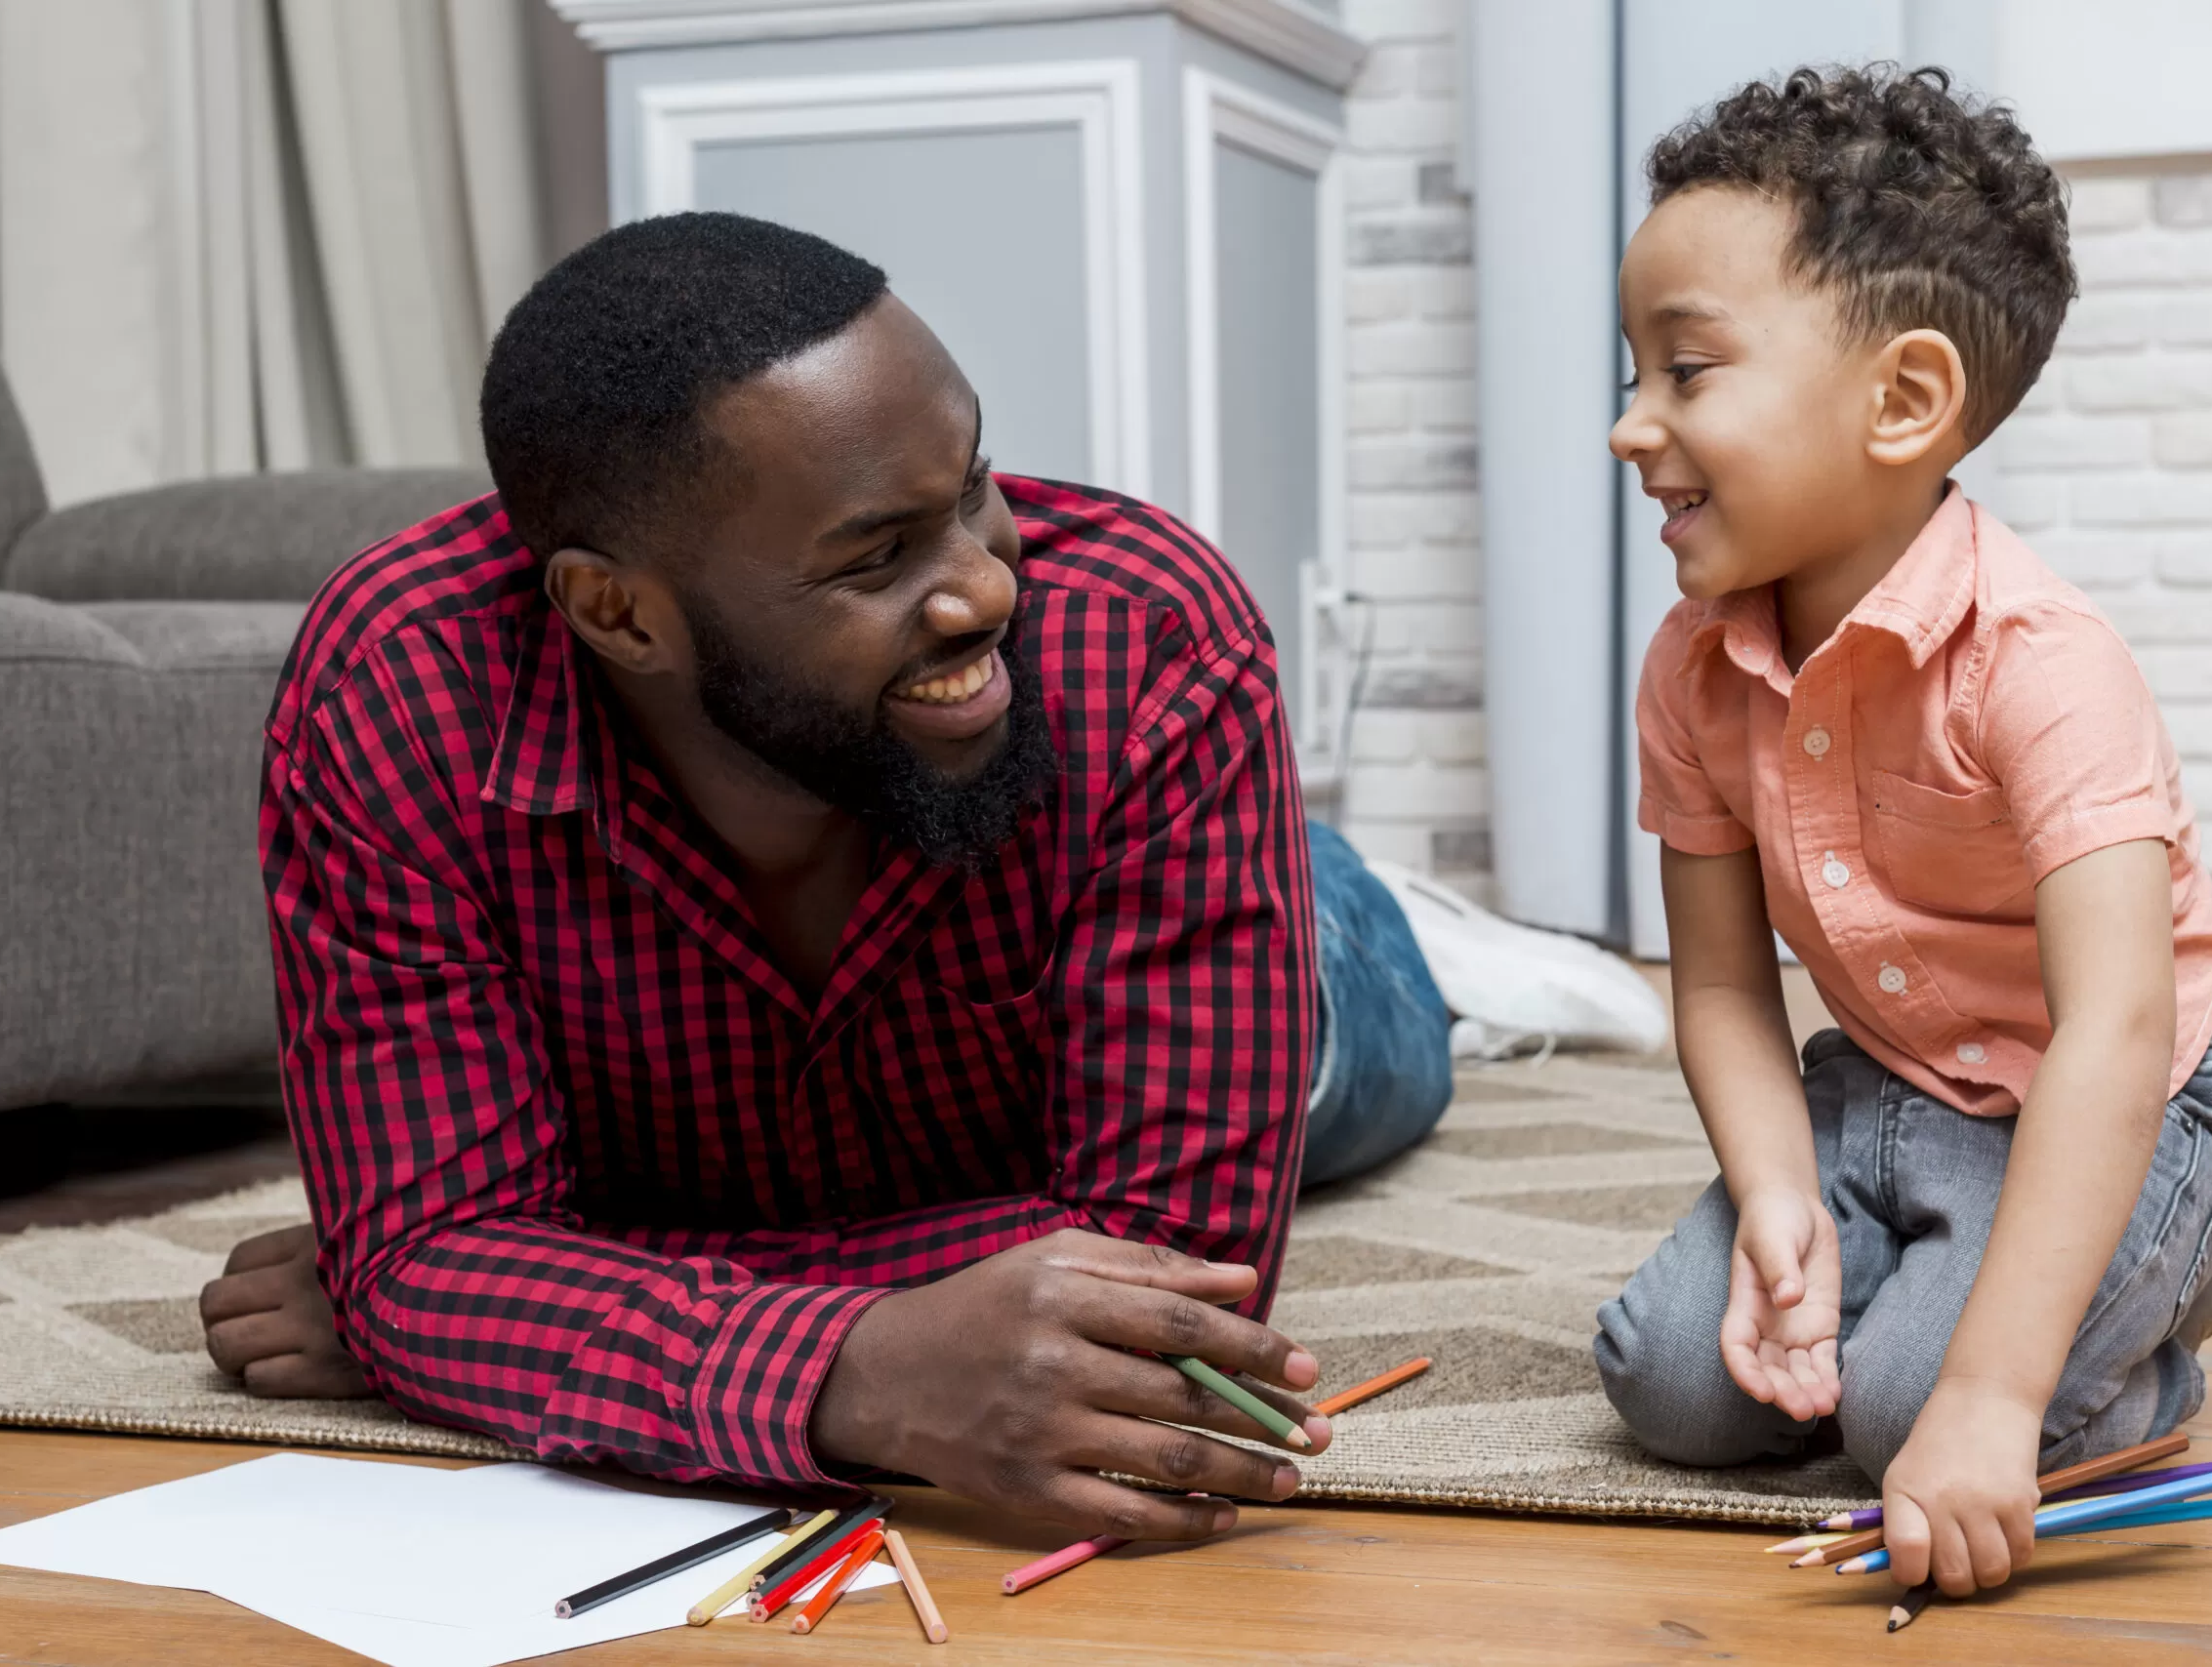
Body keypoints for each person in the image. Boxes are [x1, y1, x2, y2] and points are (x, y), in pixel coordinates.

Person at [196, 212, 1454, 1543]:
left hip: (1328, 981)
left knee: (1359, 1045)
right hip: (954, 1126)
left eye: (973, 485)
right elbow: (431, 1259)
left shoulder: (1152, 644)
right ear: (618, 613)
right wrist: (858, 1373)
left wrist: (499, 1302)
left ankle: (1397, 921)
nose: (983, 587)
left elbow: (1167, 1299)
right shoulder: (397, 693)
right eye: (876, 558)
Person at [1591, 66, 2212, 1600]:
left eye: (1685, 371)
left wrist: (1993, 1401)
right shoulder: (1691, 666)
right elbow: (1717, 988)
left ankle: (2153, 1324)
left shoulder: (2041, 659)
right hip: (1884, 1082)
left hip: (2124, 1097)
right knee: (1674, 1382)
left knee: (1911, 1415)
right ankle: (1928, 1277)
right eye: (1631, 370)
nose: (1632, 426)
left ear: (1903, 401)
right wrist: (1774, 1198)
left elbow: (2114, 1029)